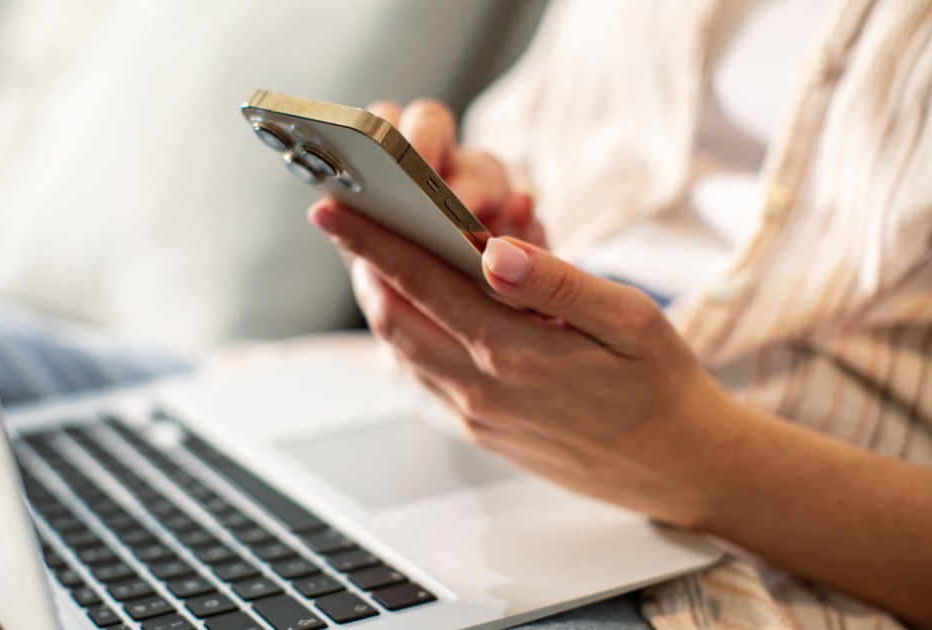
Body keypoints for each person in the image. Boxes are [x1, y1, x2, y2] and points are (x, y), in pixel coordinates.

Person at [308, 0, 932, 628]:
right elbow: (531, 145)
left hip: (758, 564)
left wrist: (700, 459)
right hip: (455, 410)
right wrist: (476, 198)